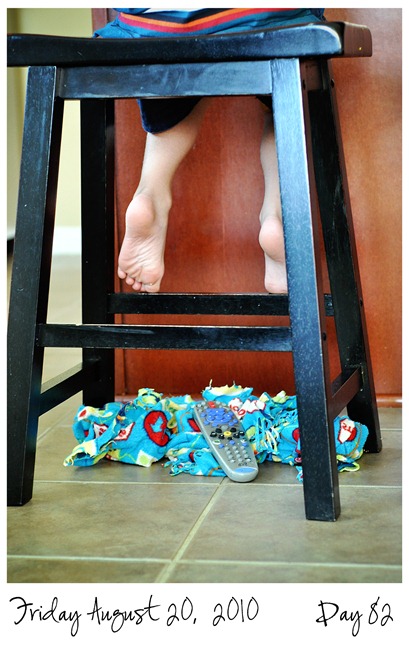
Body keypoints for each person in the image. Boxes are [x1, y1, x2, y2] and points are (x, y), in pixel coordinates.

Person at [95, 8, 325, 293]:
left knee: (181, 75)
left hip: (157, 27)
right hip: (262, 22)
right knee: (283, 97)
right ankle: (278, 217)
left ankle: (150, 194)